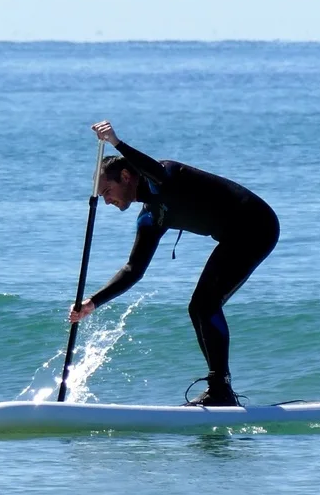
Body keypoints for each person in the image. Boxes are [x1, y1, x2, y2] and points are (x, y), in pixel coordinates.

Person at [68, 119, 278, 407]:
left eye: (107, 191)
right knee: (199, 306)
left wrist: (117, 142)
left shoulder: (166, 174)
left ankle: (221, 390)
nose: (106, 201)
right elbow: (133, 269)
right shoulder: (150, 217)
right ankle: (220, 388)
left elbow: (154, 171)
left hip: (256, 226)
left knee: (205, 305)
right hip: (232, 238)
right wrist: (93, 302)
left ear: (127, 176)